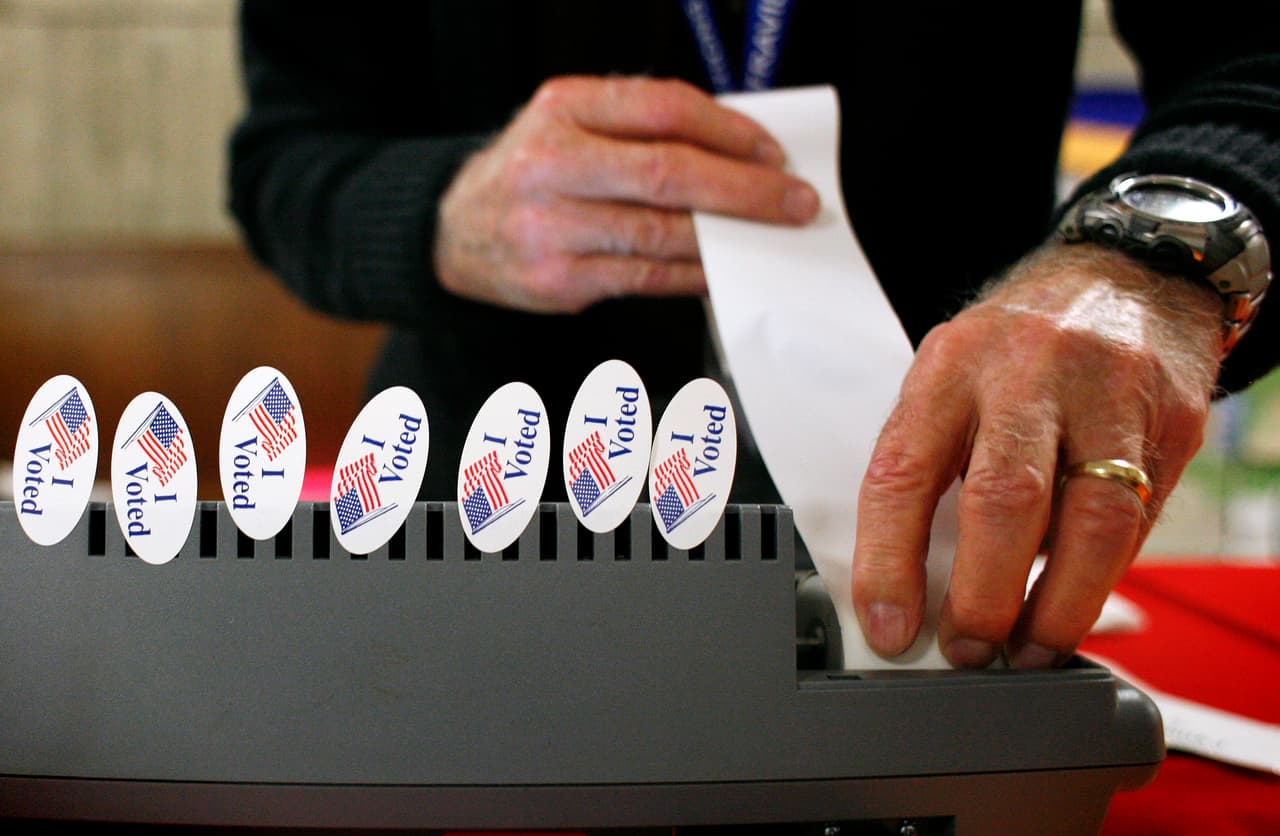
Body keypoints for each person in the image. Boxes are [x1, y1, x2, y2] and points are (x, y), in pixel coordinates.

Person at [228, 2, 1280, 668]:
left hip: (940, 544)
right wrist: (437, 214)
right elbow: (286, 157)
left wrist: (1154, 261)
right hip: (493, 538)